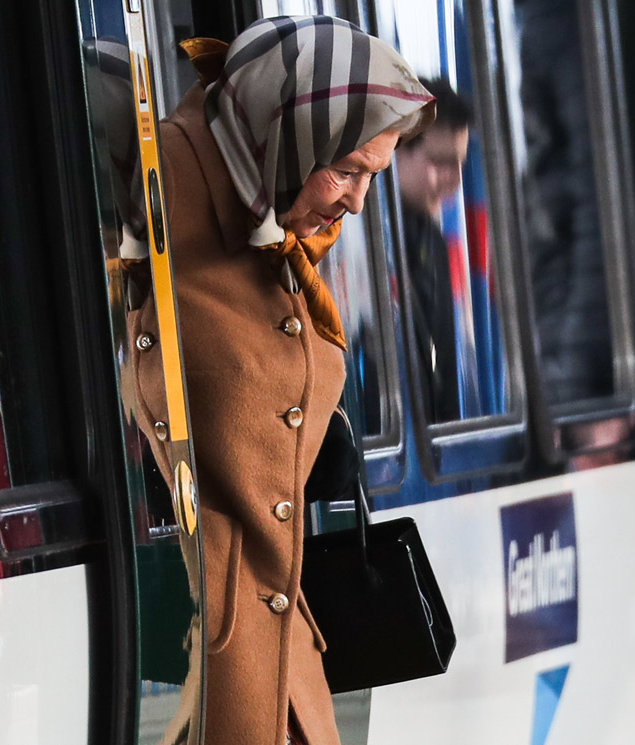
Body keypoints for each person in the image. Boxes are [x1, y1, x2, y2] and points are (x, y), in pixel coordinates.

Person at [127, 16, 436, 745]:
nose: (357, 202)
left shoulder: (280, 224)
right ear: (290, 133)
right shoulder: (158, 189)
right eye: (348, 170)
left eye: (373, 175)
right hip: (204, 663)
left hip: (283, 663)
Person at [395, 76, 471, 422]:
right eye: (440, 162)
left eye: (459, 164)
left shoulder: (433, 241)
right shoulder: (358, 248)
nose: (453, 179)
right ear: (396, 151)